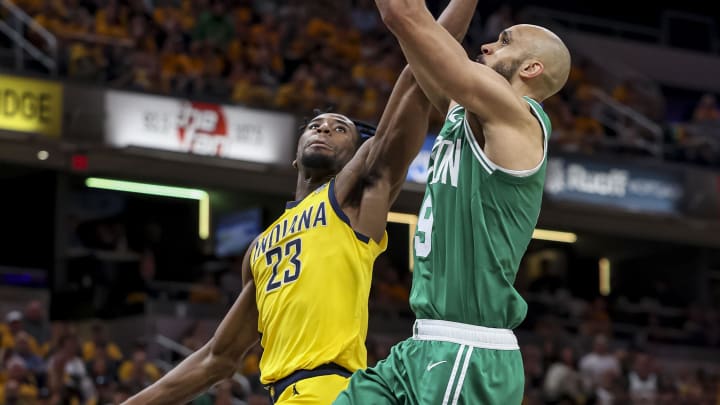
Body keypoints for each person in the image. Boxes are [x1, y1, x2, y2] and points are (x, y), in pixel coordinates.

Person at [122, 1, 478, 404]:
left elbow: (418, 78)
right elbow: (216, 360)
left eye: (340, 128)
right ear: (295, 154)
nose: (325, 126)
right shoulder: (260, 247)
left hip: (331, 388)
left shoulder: (356, 197)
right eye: (315, 124)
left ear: (357, 154)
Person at [333, 1, 571, 403]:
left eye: (504, 41)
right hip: (420, 347)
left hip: (468, 350)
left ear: (531, 69)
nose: (486, 47)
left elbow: (402, 15)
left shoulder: (517, 118)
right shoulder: (468, 115)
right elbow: (417, 52)